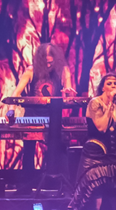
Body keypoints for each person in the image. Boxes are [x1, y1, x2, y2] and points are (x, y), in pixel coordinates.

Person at [63, 72, 116, 210]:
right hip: (95, 156)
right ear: (103, 87)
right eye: (109, 83)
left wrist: (114, 106)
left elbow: (114, 130)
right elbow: (101, 127)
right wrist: (111, 104)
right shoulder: (94, 102)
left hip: (111, 156)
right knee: (95, 204)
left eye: (115, 83)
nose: (113, 86)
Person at [6, 42, 75, 181]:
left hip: (53, 117)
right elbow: (16, 92)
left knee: (58, 148)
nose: (48, 64)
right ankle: (27, 184)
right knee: (29, 149)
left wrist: (69, 94)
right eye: (46, 61)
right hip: (32, 116)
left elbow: (69, 97)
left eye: (51, 61)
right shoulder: (31, 71)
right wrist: (11, 109)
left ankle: (58, 182)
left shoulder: (63, 70)